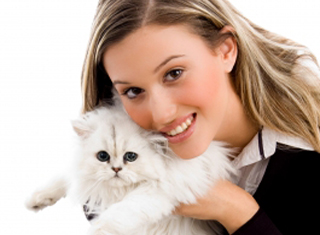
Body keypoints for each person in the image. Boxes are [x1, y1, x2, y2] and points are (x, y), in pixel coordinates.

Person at [80, 0, 320, 234]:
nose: (161, 114)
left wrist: (238, 212)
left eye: (174, 73)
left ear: (226, 51)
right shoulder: (110, 172)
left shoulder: (309, 149)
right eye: (133, 91)